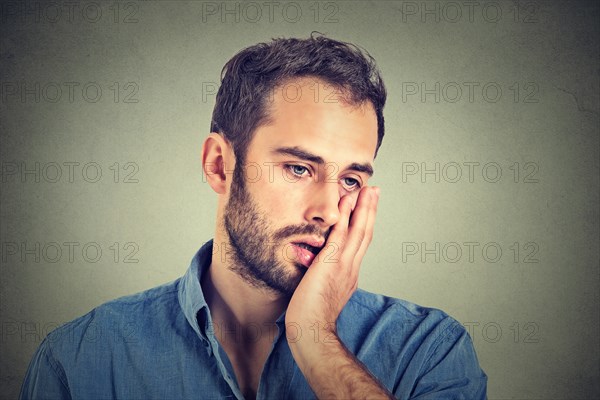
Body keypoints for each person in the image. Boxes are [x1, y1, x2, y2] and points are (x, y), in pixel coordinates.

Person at [20, 34, 487, 399]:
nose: (327, 210)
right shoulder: (82, 361)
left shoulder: (427, 350)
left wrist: (316, 340)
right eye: (299, 168)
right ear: (220, 165)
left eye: (350, 180)